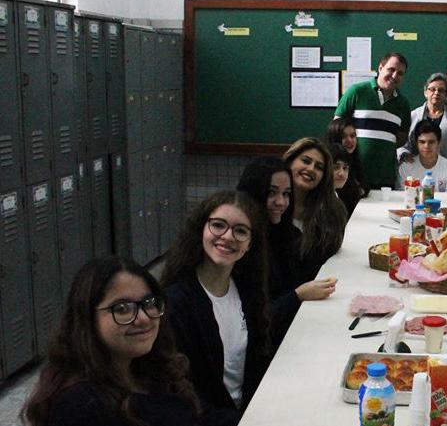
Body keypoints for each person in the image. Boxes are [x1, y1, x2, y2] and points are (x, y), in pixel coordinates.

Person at [22, 256, 205, 426]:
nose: (143, 318)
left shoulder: (152, 369)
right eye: (123, 308)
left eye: (149, 303)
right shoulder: (79, 406)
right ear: (88, 318)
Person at [161, 191, 270, 417]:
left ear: (249, 244)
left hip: (249, 410)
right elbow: (183, 394)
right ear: (201, 229)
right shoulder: (177, 302)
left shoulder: (247, 291)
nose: (228, 236)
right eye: (218, 225)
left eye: (240, 231)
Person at [236, 157, 337, 347]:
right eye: (272, 193)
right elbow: (248, 320)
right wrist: (297, 296)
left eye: (286, 194)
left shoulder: (288, 234)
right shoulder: (240, 246)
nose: (281, 202)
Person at [334, 52, 412, 189]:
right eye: (391, 69)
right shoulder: (357, 92)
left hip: (385, 178)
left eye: (400, 73)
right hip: (352, 176)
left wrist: (381, 147)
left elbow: (401, 137)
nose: (394, 76)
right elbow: (336, 129)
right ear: (380, 68)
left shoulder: (403, 104)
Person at [283, 137, 347, 283]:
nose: (311, 168)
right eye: (305, 161)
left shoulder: (332, 211)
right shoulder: (272, 207)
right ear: (289, 162)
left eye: (319, 167)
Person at [398, 72, 447, 173]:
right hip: (416, 170)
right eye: (432, 89)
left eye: (441, 90)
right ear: (425, 92)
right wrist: (403, 153)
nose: (436, 93)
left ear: (446, 95)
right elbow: (402, 144)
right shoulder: (413, 116)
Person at [396, 120, 447, 192]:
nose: (426, 146)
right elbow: (404, 198)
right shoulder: (405, 168)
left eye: (431, 142)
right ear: (416, 143)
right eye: (422, 142)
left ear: (439, 143)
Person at [327, 143, 365, 216]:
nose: (341, 173)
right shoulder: (320, 201)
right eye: (335, 167)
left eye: (345, 168)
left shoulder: (334, 195)